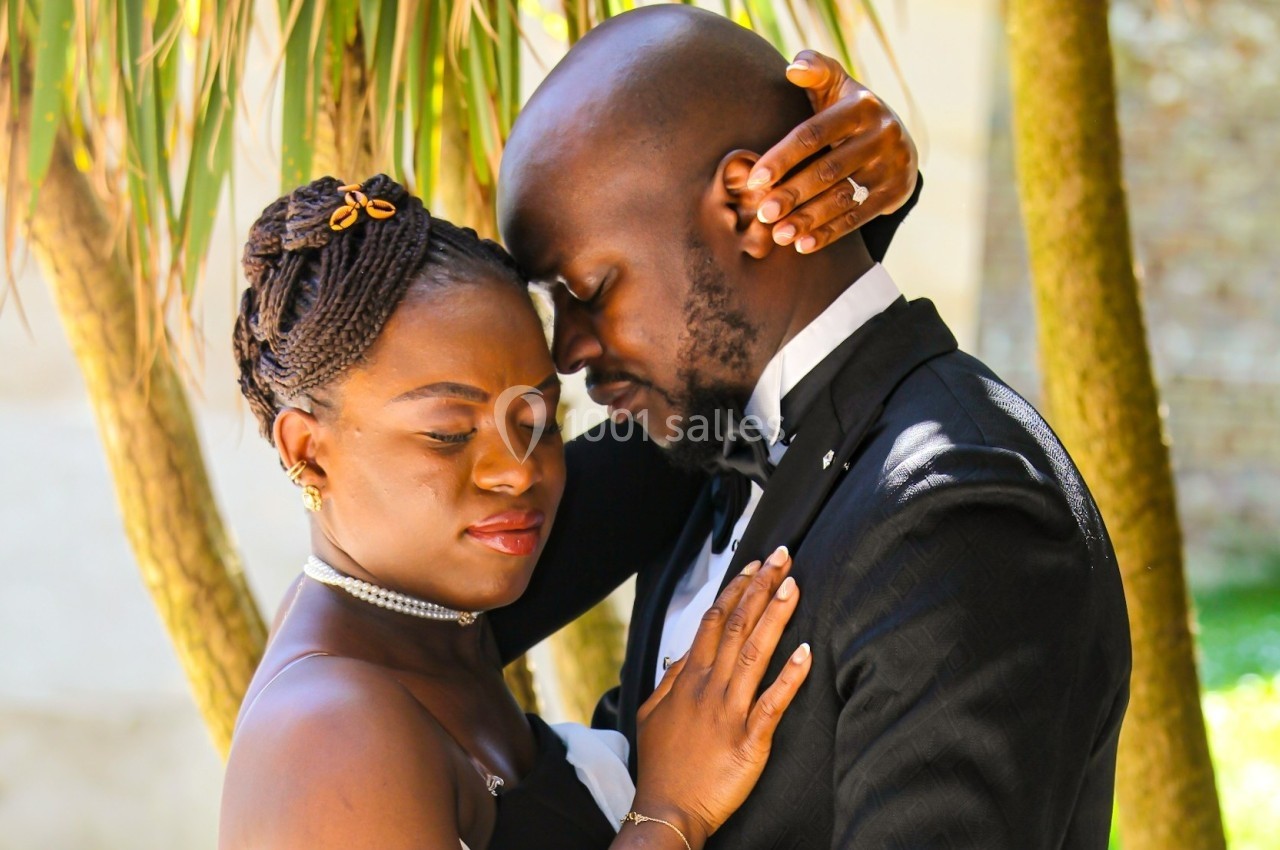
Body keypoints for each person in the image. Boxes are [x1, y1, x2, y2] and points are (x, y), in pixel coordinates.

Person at [492, 6, 1132, 849]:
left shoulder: (962, 518)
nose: (567, 350)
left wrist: (665, 823)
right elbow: (428, 611)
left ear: (748, 207)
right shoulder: (700, 440)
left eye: (588, 289)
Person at [219, 174, 820, 850]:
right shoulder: (330, 738)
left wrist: (840, 193)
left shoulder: (436, 607)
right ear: (310, 451)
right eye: (448, 433)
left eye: (540, 418)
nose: (520, 469)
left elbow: (704, 411)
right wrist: (670, 813)